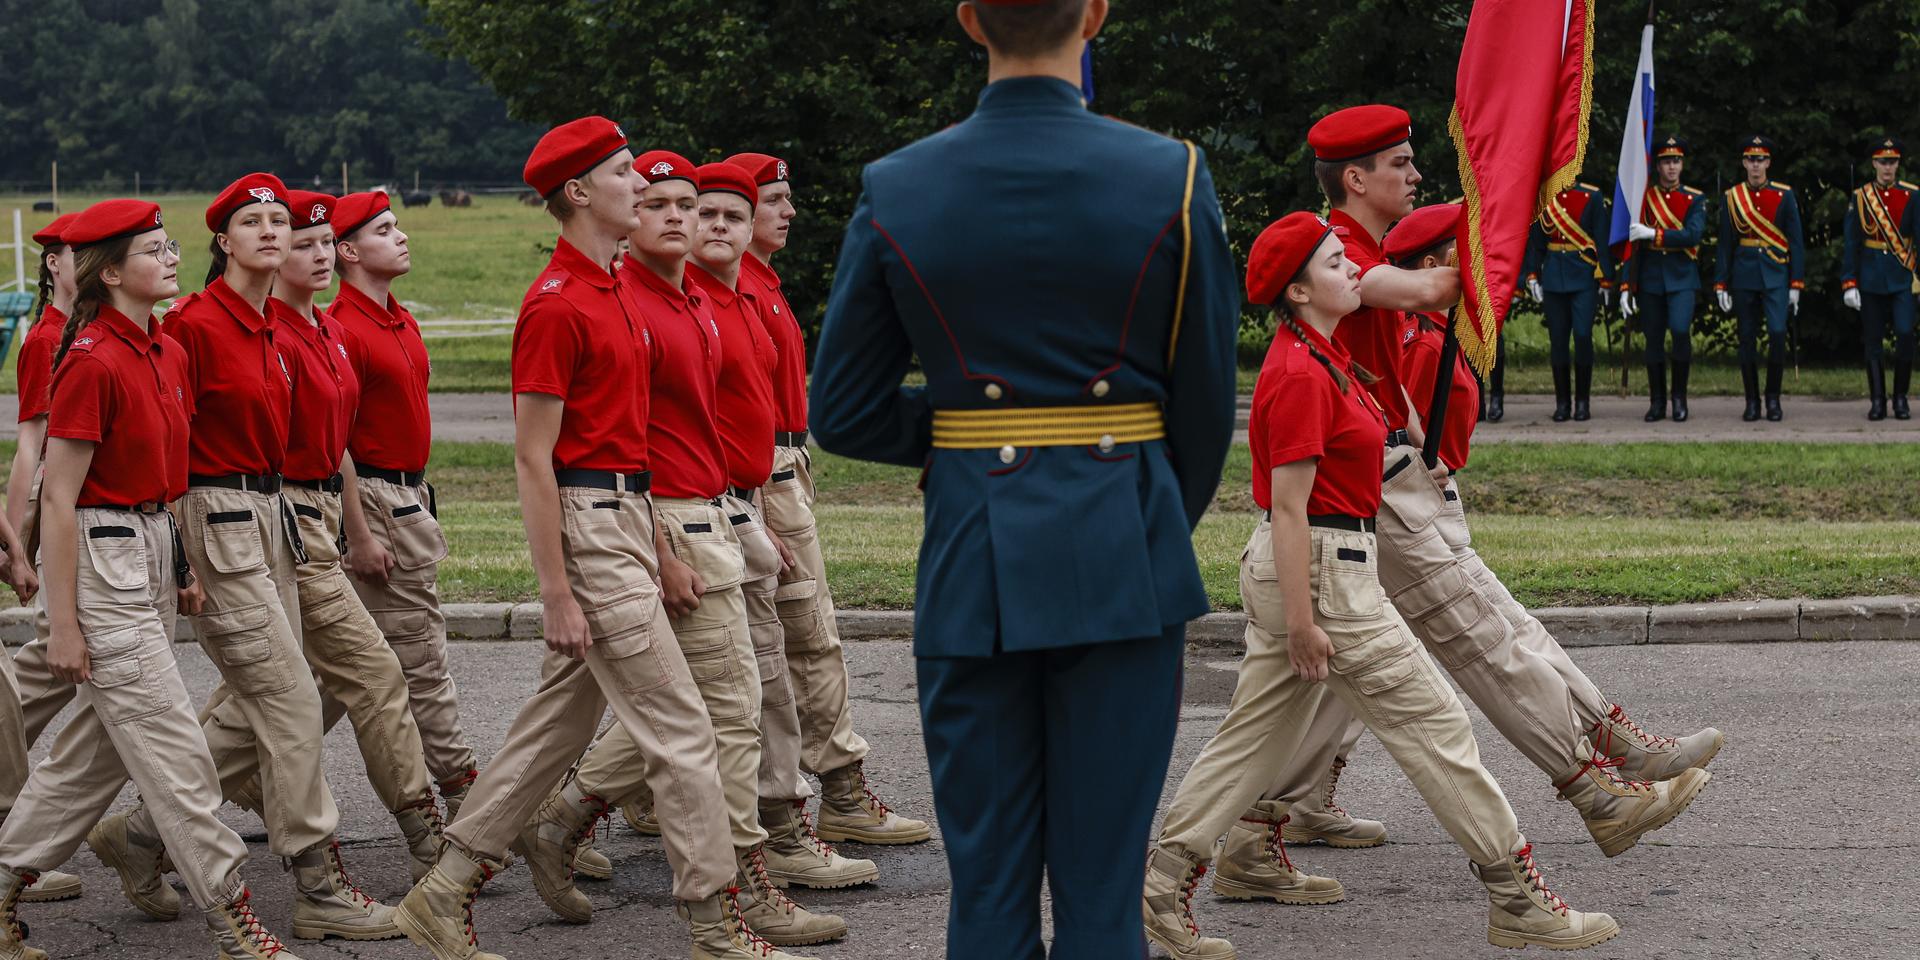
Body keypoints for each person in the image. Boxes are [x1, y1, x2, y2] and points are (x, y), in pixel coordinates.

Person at [810, 1, 1241, 955]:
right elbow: (1206, 398)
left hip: (973, 555)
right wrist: (1149, 511)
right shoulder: (1169, 173)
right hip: (1125, 545)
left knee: (990, 889)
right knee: (1102, 894)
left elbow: (840, 408)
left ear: (970, 22)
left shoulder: (898, 183)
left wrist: (971, 439)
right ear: (1094, 15)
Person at [1144, 211, 1620, 959]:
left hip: (1319, 567)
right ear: (1299, 291)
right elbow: (1291, 509)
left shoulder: (1327, 358)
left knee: (1251, 742)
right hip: (1324, 573)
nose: (1354, 272)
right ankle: (1518, 900)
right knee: (1437, 729)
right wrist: (1304, 624)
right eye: (1338, 265)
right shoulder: (1301, 372)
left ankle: (1156, 895)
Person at [1288, 104, 1716, 866]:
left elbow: (1391, 374)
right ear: (1355, 179)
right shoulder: (1337, 252)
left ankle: (1268, 823)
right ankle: (1596, 784)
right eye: (1401, 164)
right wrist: (1500, 216)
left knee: (1333, 672)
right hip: (1360, 491)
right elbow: (1428, 293)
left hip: (1388, 477)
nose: (1416, 175)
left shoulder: (1360, 244)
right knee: (1479, 638)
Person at [392, 117, 769, 960]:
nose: (642, 186)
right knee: (682, 730)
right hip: (590, 533)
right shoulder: (557, 305)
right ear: (578, 192)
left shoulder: (611, 291)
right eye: (627, 173)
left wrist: (663, 550)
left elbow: (631, 444)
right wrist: (557, 592)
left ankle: (442, 891)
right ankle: (714, 918)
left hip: (633, 523)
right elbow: (533, 461)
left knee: (554, 732)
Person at [87, 174, 399, 942]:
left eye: (278, 220)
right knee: (291, 697)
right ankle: (317, 883)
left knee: (270, 698)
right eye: (252, 222)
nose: (271, 232)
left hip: (272, 516)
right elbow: (165, 427)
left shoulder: (273, 326)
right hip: (212, 513)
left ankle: (138, 836)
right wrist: (183, 553)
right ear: (223, 241)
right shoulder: (194, 322)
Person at [546, 150, 842, 951]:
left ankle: (552, 823)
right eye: (671, 204)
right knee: (718, 713)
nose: (690, 221)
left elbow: (720, 425)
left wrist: (747, 515)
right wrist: (659, 545)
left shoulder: (714, 297)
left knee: (711, 705)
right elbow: (617, 439)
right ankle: (737, 886)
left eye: (716, 212)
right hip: (662, 522)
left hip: (721, 511)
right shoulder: (629, 300)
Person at [0, 198, 298, 960]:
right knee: (176, 750)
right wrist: (64, 625)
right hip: (102, 565)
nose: (171, 259)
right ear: (109, 272)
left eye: (171, 247)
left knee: (95, 754)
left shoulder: (162, 349)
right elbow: (61, 500)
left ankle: (2, 883)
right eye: (154, 250)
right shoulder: (92, 358)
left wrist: (180, 563)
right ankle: (232, 915)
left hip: (149, 551)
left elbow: (161, 487)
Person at [196, 189, 444, 883]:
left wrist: (356, 529)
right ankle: (422, 839)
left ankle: (146, 830)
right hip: (275, 521)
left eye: (316, 239)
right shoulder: (248, 328)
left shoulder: (324, 333)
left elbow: (340, 446)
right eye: (299, 242)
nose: (317, 254)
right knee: (313, 688)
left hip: (318, 521)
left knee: (297, 691)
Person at [723, 150, 930, 847]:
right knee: (805, 638)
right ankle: (840, 789)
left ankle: (615, 796)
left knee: (777, 646)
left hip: (784, 462)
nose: (788, 211)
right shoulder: (735, 286)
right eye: (774, 198)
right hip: (764, 473)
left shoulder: (760, 281)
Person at [328, 190, 484, 815]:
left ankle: (232, 788)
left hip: (407, 495)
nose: (402, 236)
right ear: (348, 250)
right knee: (419, 656)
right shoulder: (342, 327)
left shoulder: (399, 317)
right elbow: (334, 442)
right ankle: (468, 797)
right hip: (373, 498)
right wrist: (359, 532)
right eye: (385, 229)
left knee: (328, 677)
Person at [0, 214, 79, 907]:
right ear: (52, 264)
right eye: (78, 255)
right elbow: (32, 443)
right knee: (54, 664)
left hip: (92, 515)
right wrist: (15, 542)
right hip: (60, 515)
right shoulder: (47, 341)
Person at [1715, 134, 1805, 422]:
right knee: (1746, 340)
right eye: (1751, 159)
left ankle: (1773, 398)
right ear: (1744, 162)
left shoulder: (1784, 195)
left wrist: (1796, 284)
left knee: (1778, 333)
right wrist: (1721, 283)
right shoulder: (1732, 197)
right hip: (1743, 275)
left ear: (1769, 162)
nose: (1756, 165)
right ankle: (1752, 400)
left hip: (1776, 274)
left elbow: (1796, 242)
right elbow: (1725, 244)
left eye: (1761, 159)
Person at [1620, 135, 1707, 423]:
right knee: (1653, 340)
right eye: (1667, 162)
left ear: (1682, 165)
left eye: (1676, 161)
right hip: (1651, 279)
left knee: (1681, 332)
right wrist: (1625, 286)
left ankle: (1679, 398)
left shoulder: (1694, 199)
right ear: (1657, 166)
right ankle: (1657, 401)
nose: (1672, 167)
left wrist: (1654, 234)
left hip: (1682, 278)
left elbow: (1692, 235)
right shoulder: (1643, 199)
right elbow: (1631, 245)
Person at [1522, 179, 1614, 421]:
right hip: (1553, 277)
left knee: (1583, 336)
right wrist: (1532, 274)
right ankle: (1562, 403)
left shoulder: (1592, 195)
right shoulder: (1544, 197)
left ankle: (1582, 402)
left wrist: (1606, 277)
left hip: (1584, 276)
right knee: (1558, 341)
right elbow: (1536, 243)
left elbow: (1602, 240)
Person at [1840, 136, 1918, 421]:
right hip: (1871, 277)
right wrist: (1849, 281)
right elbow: (1852, 243)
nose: (1888, 167)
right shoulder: (1861, 197)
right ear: (1874, 163)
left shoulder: (1912, 195)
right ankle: (1877, 401)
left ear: (1898, 164)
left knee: (1906, 335)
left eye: (1893, 162)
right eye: (1883, 162)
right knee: (1873, 340)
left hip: (1902, 278)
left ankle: (1900, 398)